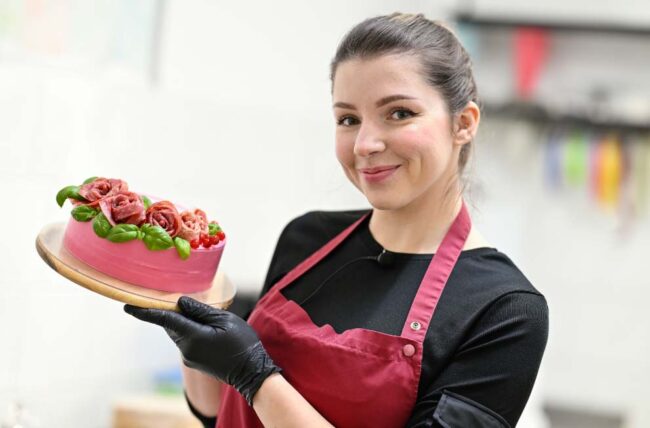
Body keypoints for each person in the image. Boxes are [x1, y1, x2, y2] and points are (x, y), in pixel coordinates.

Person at [125, 12, 549, 428]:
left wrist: (257, 378)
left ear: (463, 123)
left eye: (399, 113)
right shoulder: (306, 238)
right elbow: (221, 412)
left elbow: (252, 387)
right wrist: (189, 322)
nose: (365, 143)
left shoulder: (503, 311)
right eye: (348, 119)